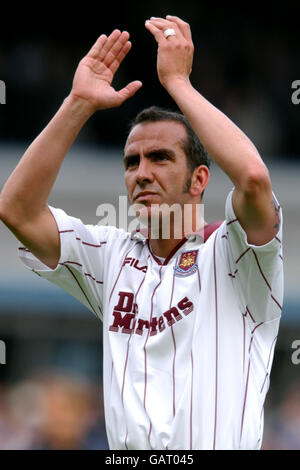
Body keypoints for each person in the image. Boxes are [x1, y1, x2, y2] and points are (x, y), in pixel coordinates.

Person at [0, 16, 283, 450]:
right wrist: (77, 103)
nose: (142, 173)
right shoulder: (111, 257)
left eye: (160, 158)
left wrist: (178, 84)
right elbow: (16, 209)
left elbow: (253, 178)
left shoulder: (238, 257)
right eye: (132, 162)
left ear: (199, 179)